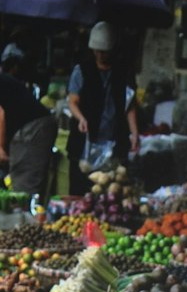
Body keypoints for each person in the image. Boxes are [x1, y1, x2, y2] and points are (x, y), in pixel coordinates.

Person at [66, 23, 139, 193]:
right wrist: (81, 118)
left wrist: (134, 133)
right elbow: (72, 101)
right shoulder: (82, 70)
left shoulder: (123, 71)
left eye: (104, 51)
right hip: (85, 143)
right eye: (96, 51)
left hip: (114, 142)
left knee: (112, 190)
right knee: (81, 189)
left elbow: (130, 105)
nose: (100, 55)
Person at [0, 44, 57, 199]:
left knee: (22, 191)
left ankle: (25, 220)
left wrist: (0, 148)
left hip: (33, 129)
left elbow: (0, 112)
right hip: (31, 126)